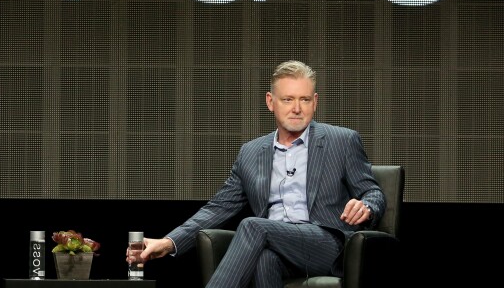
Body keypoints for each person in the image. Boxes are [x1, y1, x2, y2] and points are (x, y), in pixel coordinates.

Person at [126, 60, 386, 287]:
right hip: (275, 247)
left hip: (325, 246)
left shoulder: (342, 140)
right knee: (263, 260)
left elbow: (373, 192)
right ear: (270, 102)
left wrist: (367, 206)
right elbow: (217, 209)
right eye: (288, 99)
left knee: (253, 226)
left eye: (304, 99)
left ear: (314, 102)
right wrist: (169, 242)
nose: (297, 108)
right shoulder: (250, 153)